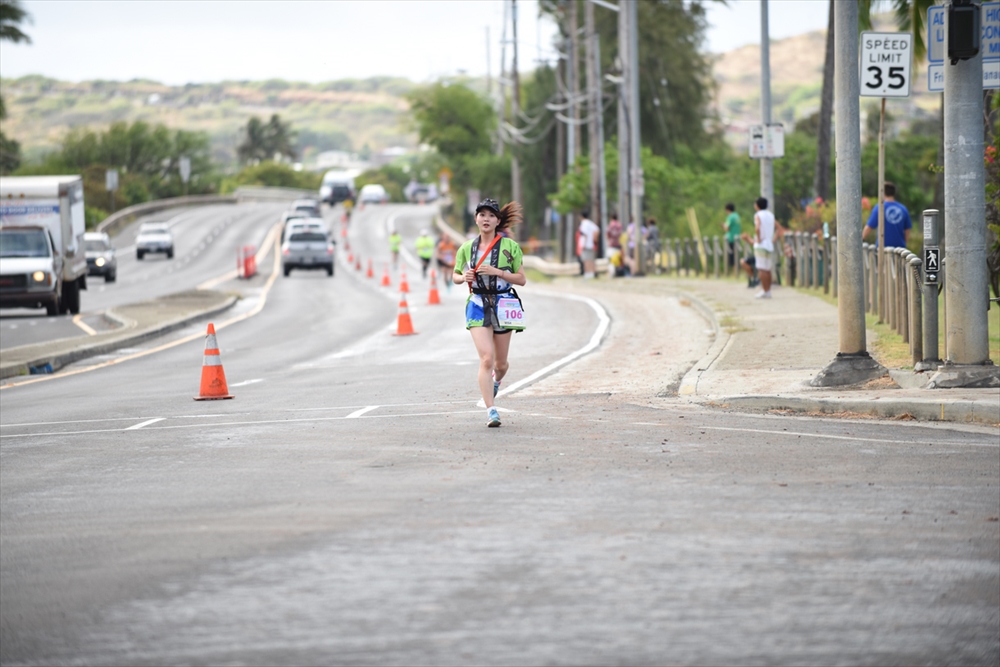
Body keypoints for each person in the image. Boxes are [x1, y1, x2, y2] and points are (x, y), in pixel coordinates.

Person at [453, 198, 526, 428]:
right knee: (486, 358)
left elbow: (521, 279)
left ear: (497, 220)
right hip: (477, 303)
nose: (486, 219)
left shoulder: (510, 247)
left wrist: (498, 272)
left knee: (501, 364)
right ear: (476, 219)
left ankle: (496, 381)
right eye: (482, 214)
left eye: (491, 215)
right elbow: (455, 275)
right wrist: (463, 277)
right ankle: (491, 411)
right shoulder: (466, 248)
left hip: (503, 304)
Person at [740, 197, 776, 299]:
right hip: (769, 245)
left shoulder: (758, 215)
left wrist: (759, 239)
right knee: (767, 269)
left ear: (757, 205)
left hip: (761, 245)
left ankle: (764, 290)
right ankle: (768, 290)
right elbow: (778, 228)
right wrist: (772, 240)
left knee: (761, 269)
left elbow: (757, 228)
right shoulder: (771, 215)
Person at [862, 181, 911, 248]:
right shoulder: (903, 209)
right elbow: (907, 229)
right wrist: (904, 244)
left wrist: (862, 238)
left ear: (883, 193)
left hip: (882, 248)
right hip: (899, 248)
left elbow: (869, 226)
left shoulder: (879, 207)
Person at [578, 210, 600, 279]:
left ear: (581, 216)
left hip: (586, 245)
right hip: (591, 244)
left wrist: (584, 244)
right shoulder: (590, 223)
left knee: (586, 260)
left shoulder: (584, 223)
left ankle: (588, 273)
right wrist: (595, 239)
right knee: (591, 259)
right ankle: (593, 272)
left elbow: (585, 234)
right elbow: (597, 229)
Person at [723, 203, 741, 270]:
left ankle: (735, 271)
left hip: (731, 238)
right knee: (736, 255)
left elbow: (727, 227)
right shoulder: (737, 216)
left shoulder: (730, 217)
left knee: (732, 257)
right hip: (737, 238)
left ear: (728, 209)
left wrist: (723, 225)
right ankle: (737, 270)